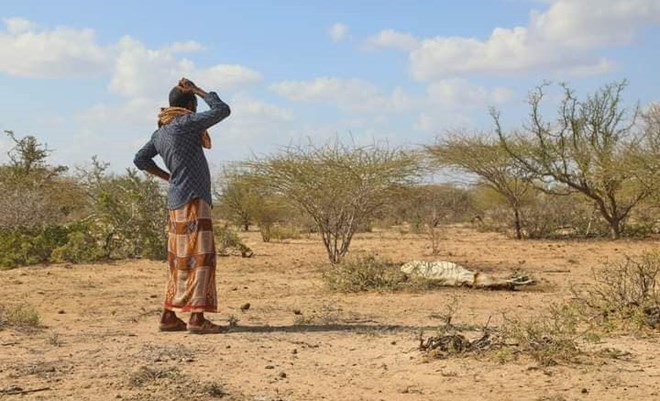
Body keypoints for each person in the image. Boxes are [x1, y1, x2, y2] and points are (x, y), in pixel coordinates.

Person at [134, 77, 231, 334]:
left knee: (179, 260)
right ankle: (197, 319)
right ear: (189, 105)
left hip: (176, 202)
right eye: (194, 104)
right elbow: (222, 110)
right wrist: (198, 89)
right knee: (201, 257)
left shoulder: (161, 133)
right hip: (194, 199)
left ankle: (168, 315)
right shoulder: (186, 123)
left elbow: (140, 159)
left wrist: (170, 177)